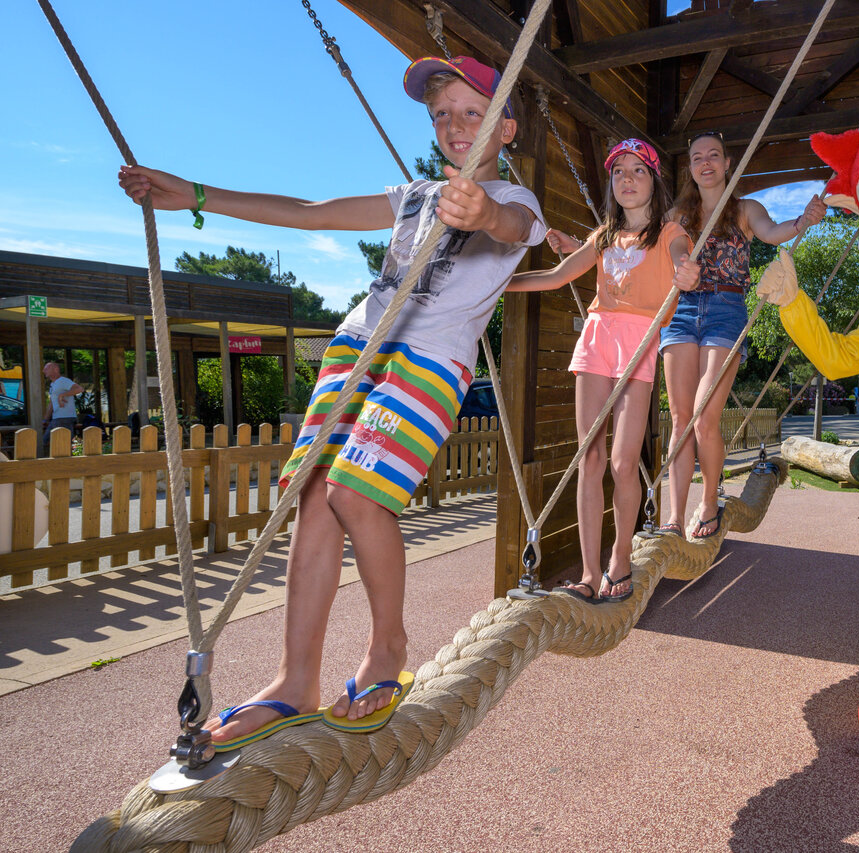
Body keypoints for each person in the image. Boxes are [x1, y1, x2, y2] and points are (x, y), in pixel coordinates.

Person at [118, 55, 545, 750]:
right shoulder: (415, 193)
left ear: (508, 129)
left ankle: (388, 648)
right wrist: (193, 194)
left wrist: (484, 208)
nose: (456, 125)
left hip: (430, 358)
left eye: (475, 112)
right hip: (358, 344)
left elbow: (510, 228)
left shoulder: (519, 200)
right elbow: (310, 214)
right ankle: (296, 681)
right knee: (313, 497)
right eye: (442, 113)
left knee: (356, 493)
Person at [508, 139, 699, 602]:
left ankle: (620, 557)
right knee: (588, 458)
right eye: (618, 173)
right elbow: (556, 276)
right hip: (596, 339)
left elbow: (682, 264)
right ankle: (590, 573)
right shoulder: (604, 237)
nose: (627, 179)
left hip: (638, 341)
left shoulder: (672, 232)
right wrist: (496, 286)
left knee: (621, 461)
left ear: (654, 180)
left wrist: (687, 273)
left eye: (637, 171)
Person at [658, 131, 824, 538]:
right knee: (680, 421)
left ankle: (709, 501)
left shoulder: (746, 209)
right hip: (681, 312)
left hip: (725, 310)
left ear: (727, 162)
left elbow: (772, 232)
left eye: (714, 154)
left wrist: (802, 222)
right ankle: (674, 518)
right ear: (691, 167)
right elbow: (664, 249)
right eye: (698, 157)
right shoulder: (678, 214)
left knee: (703, 418)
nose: (706, 162)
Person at [41, 362, 82, 454]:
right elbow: (51, 403)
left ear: (55, 369)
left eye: (47, 368)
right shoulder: (53, 385)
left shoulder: (63, 381)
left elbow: (79, 389)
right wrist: (45, 420)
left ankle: (69, 465)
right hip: (56, 418)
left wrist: (62, 395)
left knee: (65, 444)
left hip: (65, 418)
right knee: (45, 441)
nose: (44, 370)